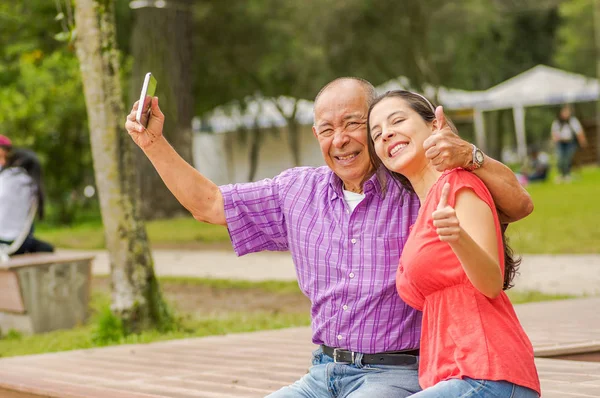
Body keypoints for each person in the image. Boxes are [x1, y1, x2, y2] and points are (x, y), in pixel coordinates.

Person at [124, 77, 533, 397]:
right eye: (326, 129)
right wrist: (153, 143)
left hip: (395, 374)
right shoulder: (296, 191)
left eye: (355, 124)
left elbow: (517, 204)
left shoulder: (414, 183)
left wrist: (467, 154)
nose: (340, 139)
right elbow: (210, 204)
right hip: (321, 373)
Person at [368, 90, 540, 397]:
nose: (386, 134)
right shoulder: (422, 212)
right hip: (448, 376)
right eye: (376, 133)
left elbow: (490, 283)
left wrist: (458, 237)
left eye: (397, 121)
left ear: (434, 126)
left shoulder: (459, 183)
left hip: (487, 373)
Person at [0, 148, 55, 255]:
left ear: (17, 161)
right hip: (20, 243)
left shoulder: (7, 176)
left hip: (4, 241)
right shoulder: (34, 185)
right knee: (45, 247)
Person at [551, 104, 587, 182]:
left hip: (570, 143)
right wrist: (554, 140)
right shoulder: (557, 122)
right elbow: (554, 133)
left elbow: (579, 132)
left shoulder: (573, 121)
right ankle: (561, 175)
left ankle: (567, 175)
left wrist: (582, 141)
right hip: (560, 143)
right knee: (560, 159)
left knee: (567, 159)